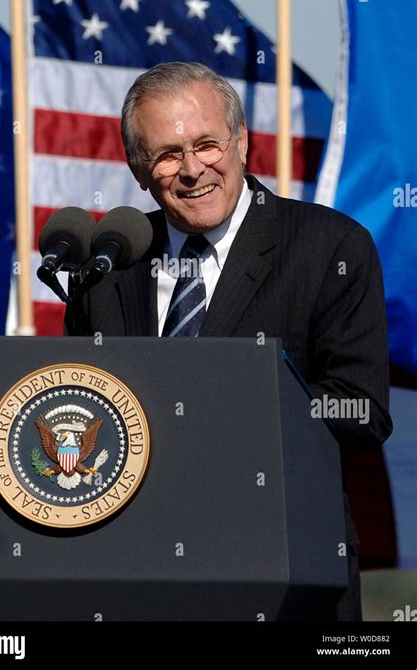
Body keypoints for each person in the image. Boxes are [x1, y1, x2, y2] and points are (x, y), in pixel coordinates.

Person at [65, 61, 392, 620]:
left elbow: (362, 412)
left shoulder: (328, 247)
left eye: (208, 144)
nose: (192, 169)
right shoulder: (108, 265)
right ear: (139, 169)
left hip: (280, 572)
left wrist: (224, 404)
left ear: (242, 143)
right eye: (168, 154)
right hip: (133, 574)